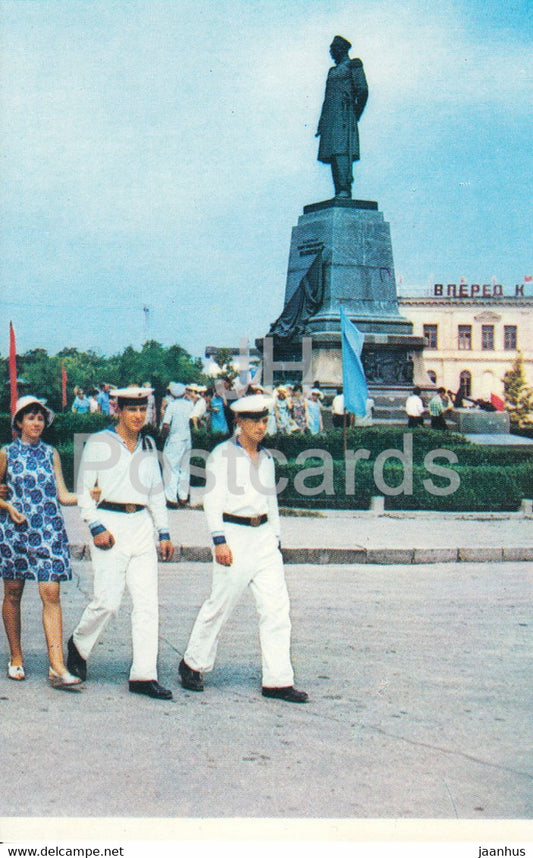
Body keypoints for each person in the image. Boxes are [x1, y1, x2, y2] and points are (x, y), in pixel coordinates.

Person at [178, 394, 308, 704]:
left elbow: (270, 501)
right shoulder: (221, 455)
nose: (262, 427)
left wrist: (276, 538)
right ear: (240, 422)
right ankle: (192, 663)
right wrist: (218, 540)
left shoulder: (266, 459)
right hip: (233, 536)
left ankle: (278, 680)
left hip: (263, 538)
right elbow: (212, 501)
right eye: (255, 421)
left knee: (277, 610)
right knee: (220, 605)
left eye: (265, 420)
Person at [67, 386, 174, 700]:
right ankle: (78, 644)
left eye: (143, 410)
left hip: (141, 525)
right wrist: (95, 525)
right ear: (119, 410)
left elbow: (155, 492)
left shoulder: (149, 445)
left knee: (146, 603)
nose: (139, 416)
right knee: (107, 601)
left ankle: (144, 674)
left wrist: (164, 531)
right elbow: (84, 491)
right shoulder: (100, 442)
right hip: (110, 525)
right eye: (132, 410)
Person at [0, 396, 83, 689]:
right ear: (19, 423)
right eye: (30, 417)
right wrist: (8, 507)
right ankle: (16, 657)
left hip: (48, 531)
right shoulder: (6, 453)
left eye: (40, 418)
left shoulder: (51, 454)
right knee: (13, 592)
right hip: (15, 531)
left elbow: (63, 494)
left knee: (52, 594)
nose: (36, 423)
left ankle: (57, 666)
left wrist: (90, 496)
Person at [316, 36, 368, 198]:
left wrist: (354, 114)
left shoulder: (353, 65)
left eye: (333, 50)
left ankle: (344, 188)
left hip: (345, 116)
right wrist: (322, 122)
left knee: (341, 152)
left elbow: (363, 91)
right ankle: (338, 189)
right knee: (332, 153)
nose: (331, 53)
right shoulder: (332, 71)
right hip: (331, 118)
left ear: (341, 49)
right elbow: (327, 98)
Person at [161, 382, 194, 508]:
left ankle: (171, 499)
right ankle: (183, 497)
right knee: (185, 469)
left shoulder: (172, 406)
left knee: (171, 468)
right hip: (187, 439)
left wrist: (163, 435)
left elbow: (165, 424)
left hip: (175, 440)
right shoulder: (190, 405)